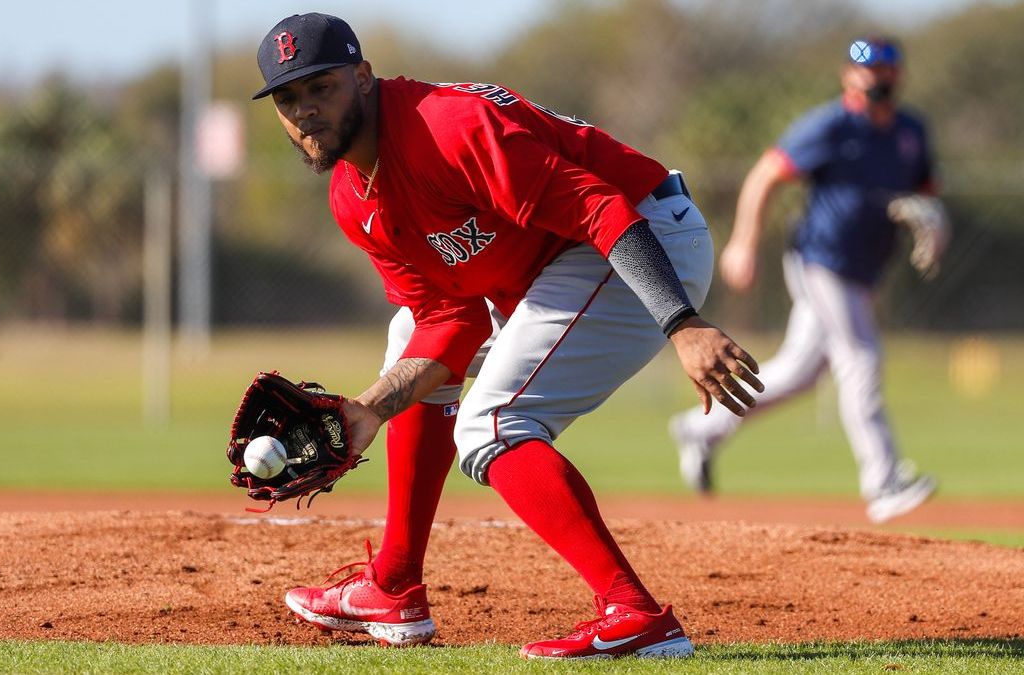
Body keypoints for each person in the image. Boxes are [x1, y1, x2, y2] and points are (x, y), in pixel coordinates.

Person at [252, 13, 763, 659]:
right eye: (288, 99)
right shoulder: (355, 197)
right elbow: (448, 320)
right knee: (406, 332)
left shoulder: (446, 128)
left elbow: (599, 207)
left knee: (492, 422)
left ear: (362, 76)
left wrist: (682, 323)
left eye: (320, 88)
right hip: (557, 260)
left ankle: (633, 613)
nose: (305, 111)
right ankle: (395, 585)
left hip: (641, 233)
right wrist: (369, 409)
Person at [669, 36, 941, 524]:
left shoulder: (910, 132)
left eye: (884, 70)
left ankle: (701, 430)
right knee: (860, 356)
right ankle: (884, 482)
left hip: (863, 269)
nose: (875, 78)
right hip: (821, 261)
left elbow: (925, 196)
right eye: (865, 70)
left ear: (898, 76)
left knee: (799, 373)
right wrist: (744, 243)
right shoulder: (831, 126)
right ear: (848, 77)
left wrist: (935, 222)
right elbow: (764, 175)